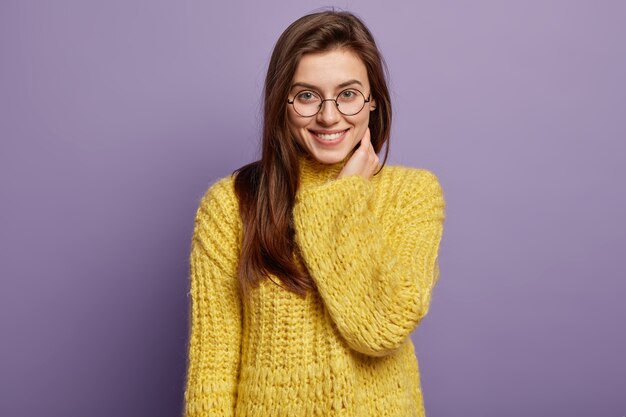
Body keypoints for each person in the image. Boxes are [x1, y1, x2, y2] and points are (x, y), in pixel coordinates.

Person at [183, 9, 446, 417]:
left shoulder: (413, 194)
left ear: (372, 100)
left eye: (348, 94)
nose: (328, 115)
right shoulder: (230, 204)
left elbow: (380, 329)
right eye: (307, 95)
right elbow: (212, 373)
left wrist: (341, 197)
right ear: (282, 104)